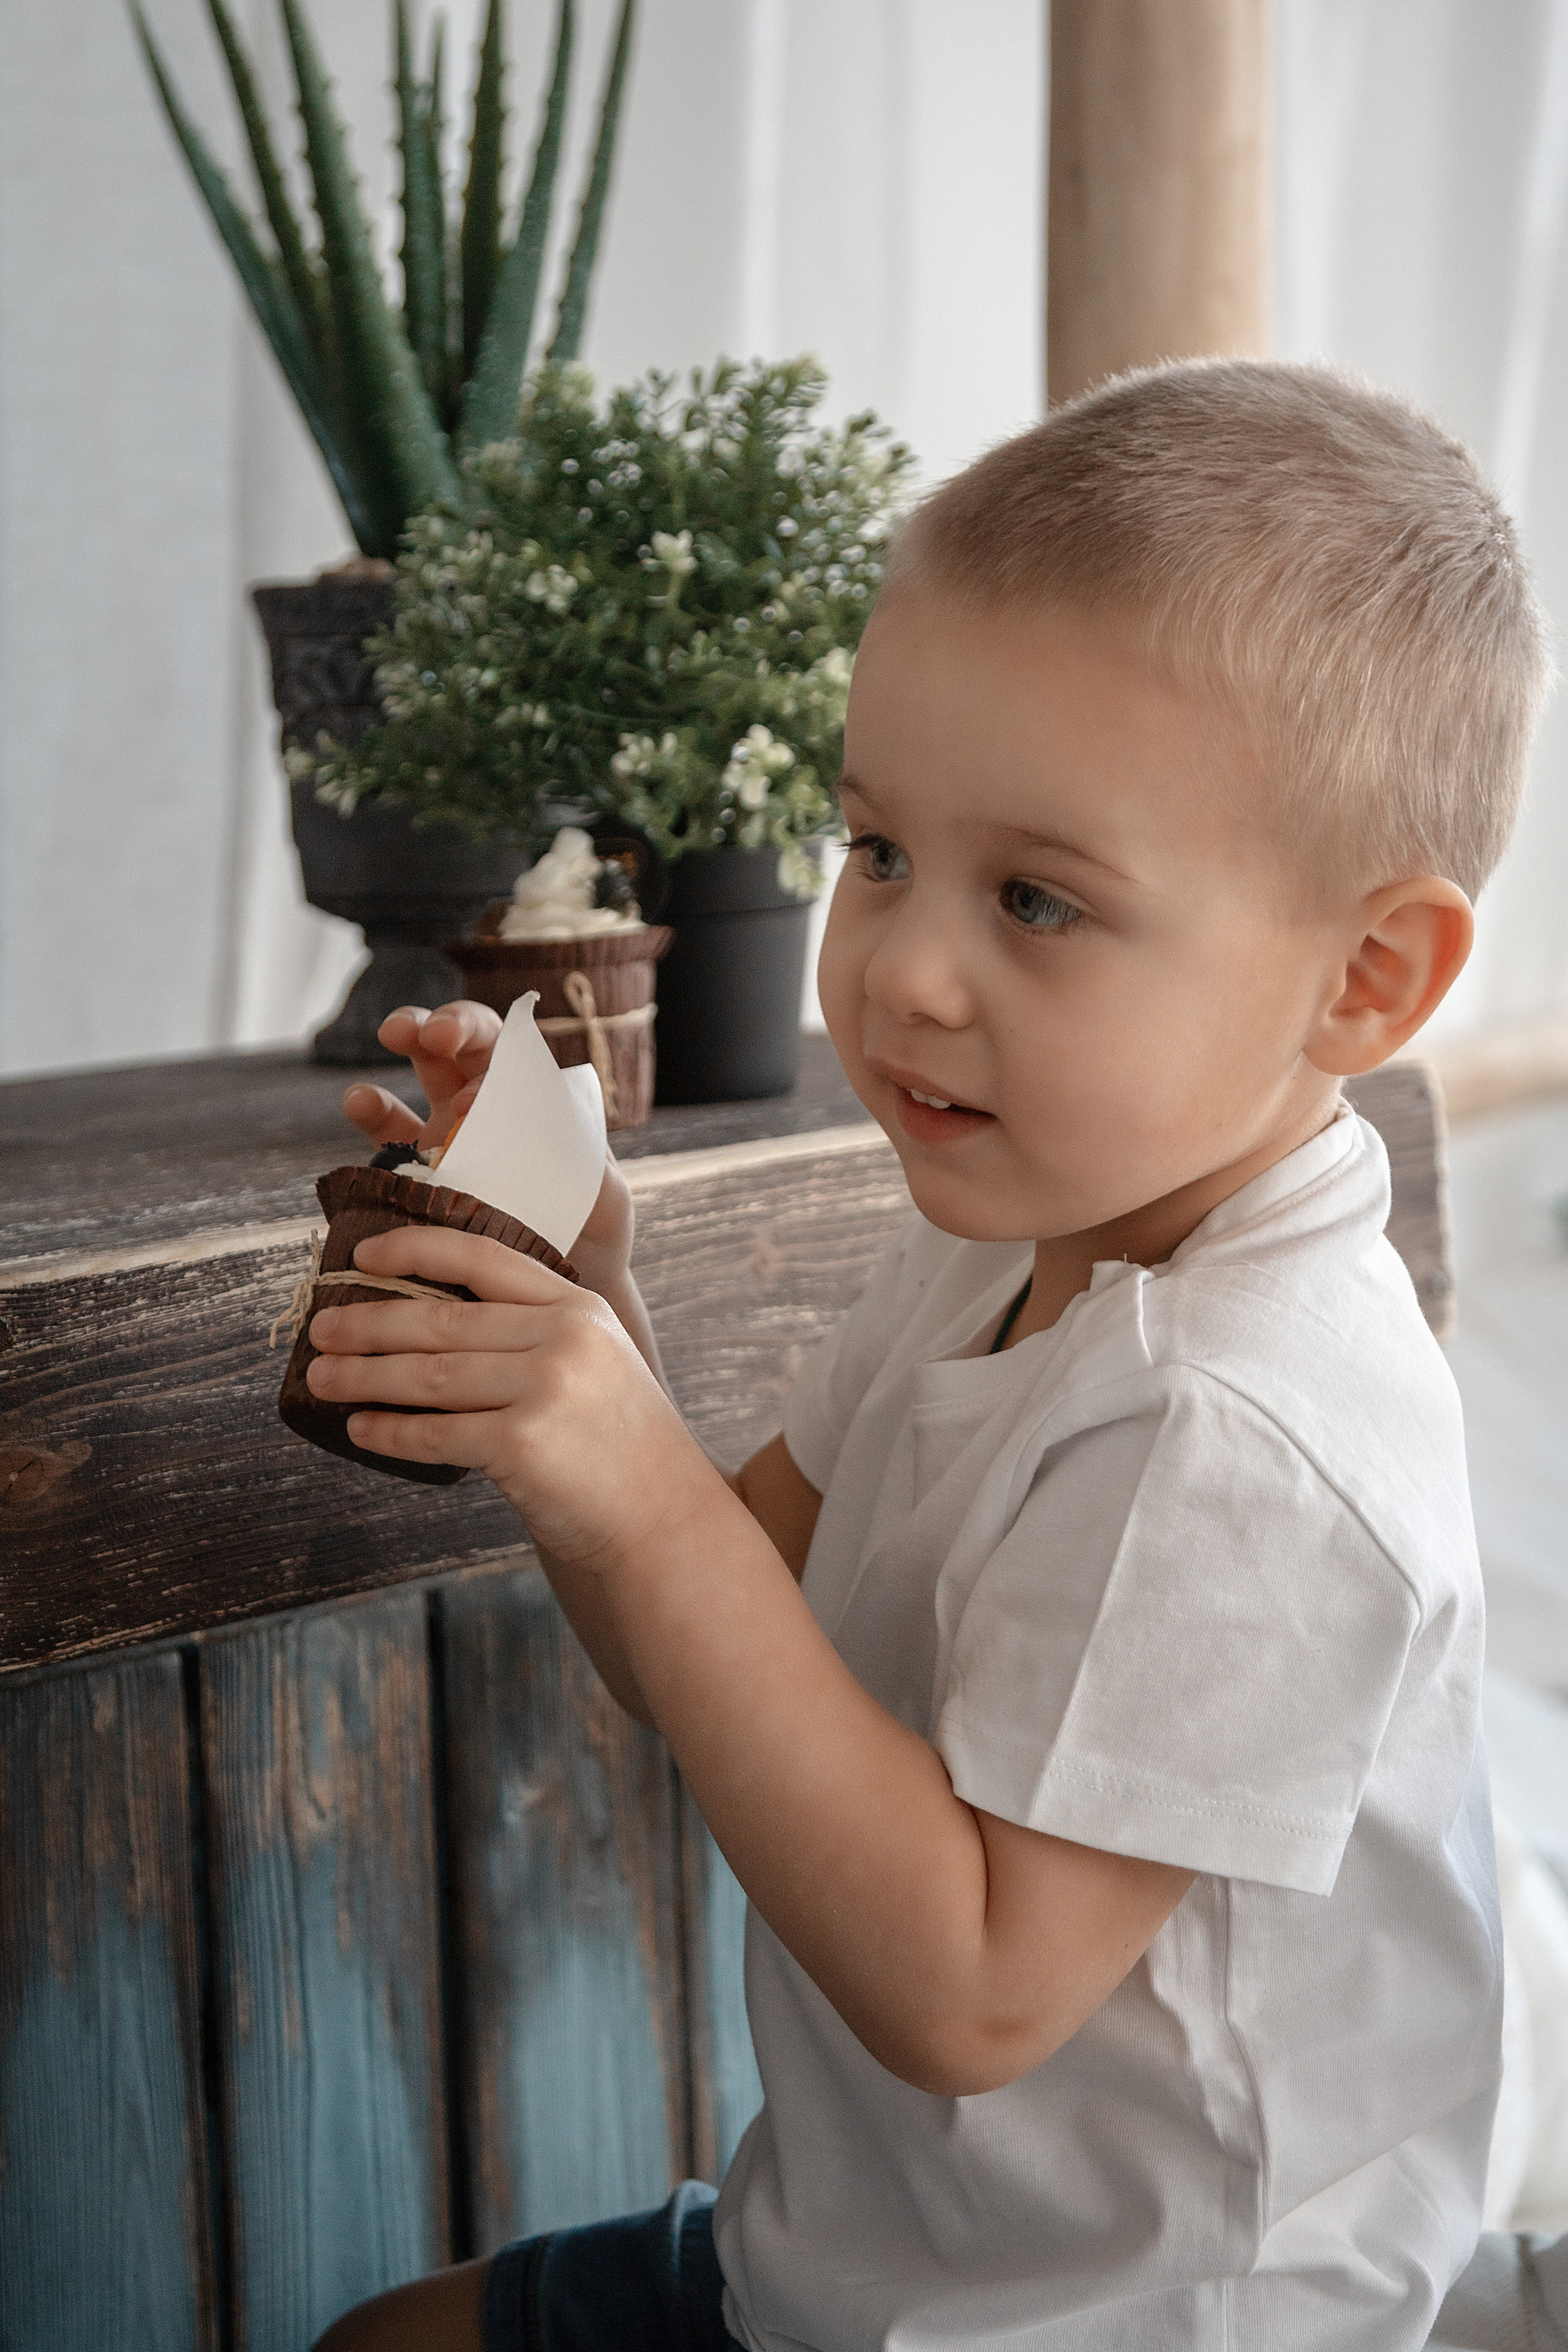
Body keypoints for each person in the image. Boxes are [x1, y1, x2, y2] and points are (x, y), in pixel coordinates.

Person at [310, 359, 1552, 2352]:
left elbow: (970, 1992)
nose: (901, 969)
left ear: (1364, 978)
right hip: (872, 2268)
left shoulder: (1249, 1426)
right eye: (877, 848)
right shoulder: (996, 1245)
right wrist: (590, 1312)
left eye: (1037, 898)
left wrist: (637, 1480)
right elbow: (700, 1634)